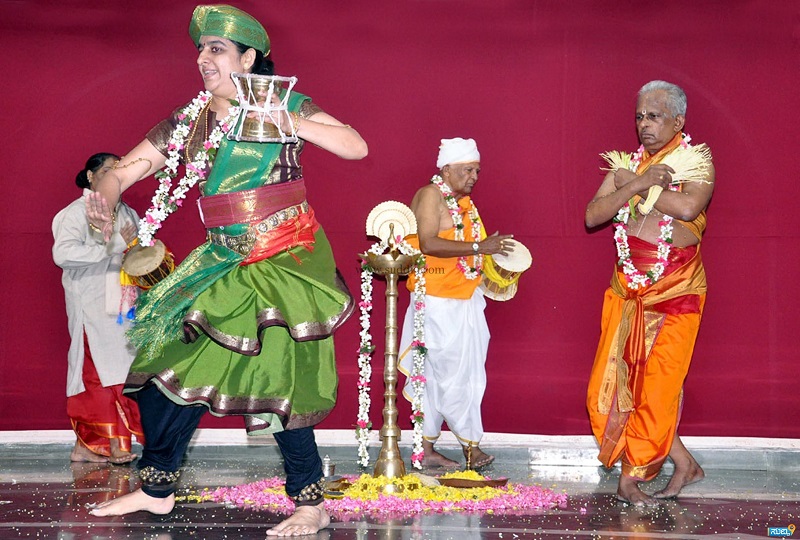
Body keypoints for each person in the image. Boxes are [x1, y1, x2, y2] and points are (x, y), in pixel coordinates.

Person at [84, 5, 367, 537]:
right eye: (201, 49)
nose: (204, 58)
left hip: (285, 254)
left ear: (248, 58)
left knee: (281, 372)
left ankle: (310, 501)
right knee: (167, 357)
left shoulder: (282, 104)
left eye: (216, 49)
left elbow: (355, 146)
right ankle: (157, 487)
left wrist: (276, 116)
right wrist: (106, 192)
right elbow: (126, 169)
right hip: (223, 255)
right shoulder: (191, 119)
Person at [585, 80, 713, 506]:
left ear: (678, 120)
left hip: (677, 294)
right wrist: (636, 183)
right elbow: (592, 214)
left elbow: (687, 208)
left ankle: (632, 477)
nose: (644, 124)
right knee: (613, 389)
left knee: (656, 393)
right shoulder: (625, 165)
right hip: (626, 292)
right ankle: (686, 464)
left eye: (654, 116)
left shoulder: (696, 162)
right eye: (639, 115)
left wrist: (642, 185)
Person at [397, 138, 512, 469]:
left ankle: (427, 448)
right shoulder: (430, 195)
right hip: (436, 301)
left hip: (463, 298)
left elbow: (472, 247)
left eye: (477, 170)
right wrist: (480, 249)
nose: (474, 176)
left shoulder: (465, 204)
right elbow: (428, 243)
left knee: (443, 376)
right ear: (446, 169)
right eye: (467, 170)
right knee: (452, 376)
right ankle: (470, 445)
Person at [52, 152, 144, 465]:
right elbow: (63, 254)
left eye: (119, 172)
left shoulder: (127, 212)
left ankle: (86, 447)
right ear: (91, 177)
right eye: (106, 171)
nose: (113, 178)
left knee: (123, 369)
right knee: (97, 372)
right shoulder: (76, 213)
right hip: (91, 304)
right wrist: (113, 244)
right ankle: (111, 443)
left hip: (124, 303)